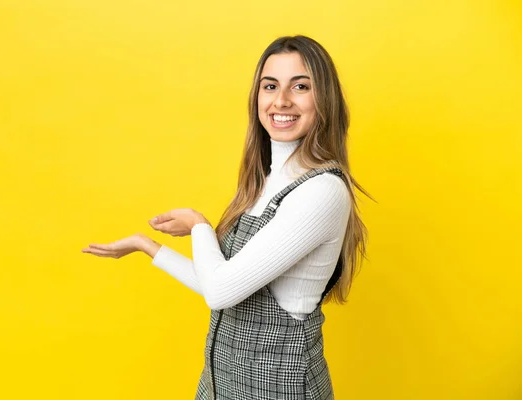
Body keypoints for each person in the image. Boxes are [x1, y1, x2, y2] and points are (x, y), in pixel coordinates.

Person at [82, 34, 372, 400]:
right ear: (257, 97)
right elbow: (224, 284)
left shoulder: (322, 191)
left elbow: (221, 291)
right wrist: (148, 247)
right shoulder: (265, 182)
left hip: (278, 391)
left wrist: (198, 225)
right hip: (222, 385)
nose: (281, 100)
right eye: (270, 86)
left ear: (324, 98)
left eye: (300, 86)